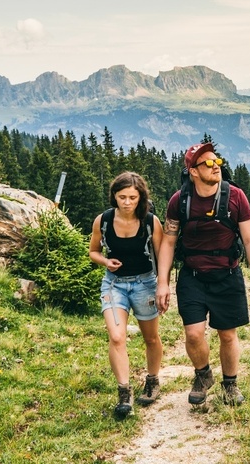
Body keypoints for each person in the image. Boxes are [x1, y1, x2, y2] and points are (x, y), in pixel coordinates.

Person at [156, 142, 250, 406]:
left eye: (217, 161)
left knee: (227, 334)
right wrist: (163, 283)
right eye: (208, 163)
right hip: (192, 276)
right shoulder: (179, 201)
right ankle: (203, 375)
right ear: (193, 171)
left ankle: (230, 384)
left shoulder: (236, 196)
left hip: (227, 274)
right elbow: (168, 242)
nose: (216, 167)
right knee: (194, 334)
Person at [89, 171, 165, 418]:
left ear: (141, 197)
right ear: (114, 196)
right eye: (122, 197)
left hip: (145, 284)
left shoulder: (150, 222)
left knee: (151, 338)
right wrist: (105, 261)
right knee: (116, 336)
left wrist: (163, 285)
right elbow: (93, 251)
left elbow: (162, 255)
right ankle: (124, 392)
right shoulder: (103, 221)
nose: (127, 202)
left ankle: (152, 380)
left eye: (133, 197)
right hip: (114, 285)